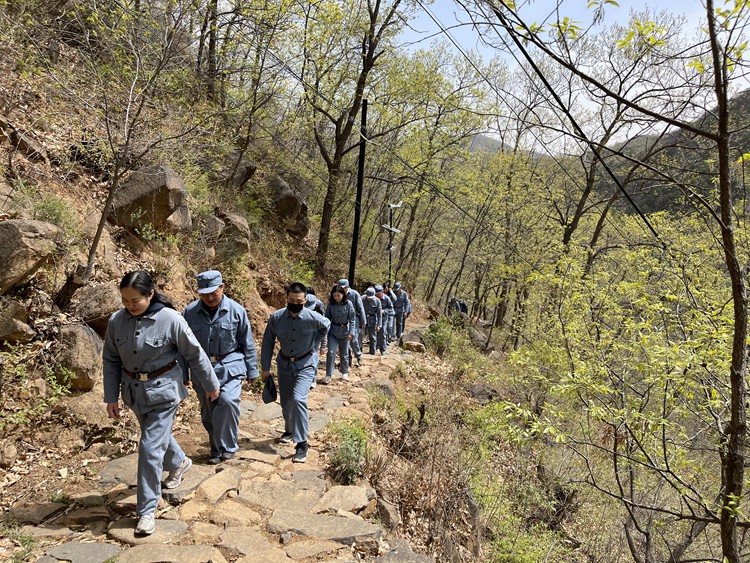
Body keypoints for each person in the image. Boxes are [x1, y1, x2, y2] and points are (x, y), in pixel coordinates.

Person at [103, 271, 220, 536]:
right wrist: (111, 396)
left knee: (149, 447)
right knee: (156, 438)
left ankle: (146, 509)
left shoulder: (170, 319)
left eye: (135, 300)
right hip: (133, 392)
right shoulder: (116, 321)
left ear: (150, 294)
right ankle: (179, 462)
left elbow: (195, 353)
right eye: (125, 300)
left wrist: (211, 384)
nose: (130, 305)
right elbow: (110, 359)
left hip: (164, 392)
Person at [180, 270, 258, 465]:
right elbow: (181, 346)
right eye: (204, 293)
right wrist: (183, 373)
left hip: (230, 366)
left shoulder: (237, 310)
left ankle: (229, 446)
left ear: (222, 287)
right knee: (209, 411)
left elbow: (246, 342)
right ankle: (216, 449)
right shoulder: (189, 313)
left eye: (213, 292)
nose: (209, 297)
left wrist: (252, 369)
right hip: (201, 369)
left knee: (228, 401)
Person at [260, 282, 330, 463]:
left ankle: (301, 442)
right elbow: (268, 342)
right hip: (284, 364)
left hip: (306, 364)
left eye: (299, 301)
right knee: (286, 403)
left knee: (299, 399)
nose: (295, 303)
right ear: (286, 299)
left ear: (305, 300)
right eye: (291, 300)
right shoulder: (276, 318)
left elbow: (326, 325)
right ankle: (290, 429)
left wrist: (315, 342)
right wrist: (265, 368)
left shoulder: (312, 317)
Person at [323, 284, 356, 384]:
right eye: (335, 295)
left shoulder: (348, 304)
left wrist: (351, 332)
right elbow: (327, 318)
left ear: (343, 294)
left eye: (338, 295)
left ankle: (344, 372)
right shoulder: (330, 304)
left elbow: (352, 319)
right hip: (333, 331)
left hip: (345, 331)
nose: (336, 297)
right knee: (331, 353)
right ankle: (328, 374)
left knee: (344, 353)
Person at [338, 278, 366, 367]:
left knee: (353, 340)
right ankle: (347, 360)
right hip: (343, 321)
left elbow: (361, 308)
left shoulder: (354, 294)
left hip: (354, 320)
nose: (343, 289)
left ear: (347, 287)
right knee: (345, 341)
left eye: (344, 287)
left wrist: (363, 321)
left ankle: (359, 356)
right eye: (341, 287)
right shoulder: (337, 294)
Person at [304, 286, 326, 389]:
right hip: (306, 334)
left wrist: (323, 346)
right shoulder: (300, 302)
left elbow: (323, 325)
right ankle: (308, 379)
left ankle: (312, 379)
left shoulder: (319, 305)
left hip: (314, 335)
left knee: (312, 356)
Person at [363, 287, 382, 355]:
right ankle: (359, 352)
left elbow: (379, 314)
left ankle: (372, 352)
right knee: (360, 335)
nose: (370, 299)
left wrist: (379, 325)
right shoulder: (362, 299)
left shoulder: (377, 301)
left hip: (372, 320)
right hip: (363, 319)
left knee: (373, 337)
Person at [375, 285, 392, 355]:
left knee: (383, 333)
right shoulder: (373, 298)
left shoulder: (387, 299)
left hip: (383, 319)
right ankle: (374, 348)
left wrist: (384, 311)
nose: (378, 295)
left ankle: (383, 350)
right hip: (374, 318)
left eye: (379, 294)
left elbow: (391, 308)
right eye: (377, 294)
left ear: (382, 292)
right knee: (374, 334)